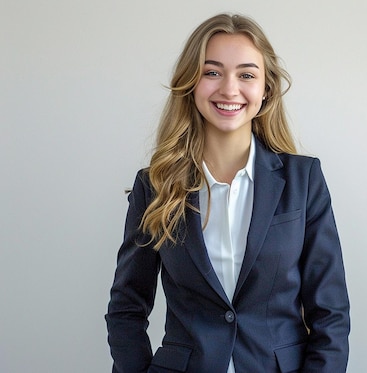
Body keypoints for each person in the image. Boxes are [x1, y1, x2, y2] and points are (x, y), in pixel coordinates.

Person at [105, 13, 350, 373]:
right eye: (212, 72)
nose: (229, 89)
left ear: (266, 89)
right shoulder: (155, 186)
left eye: (247, 75)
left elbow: (330, 313)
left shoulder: (304, 179)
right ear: (190, 83)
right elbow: (126, 307)